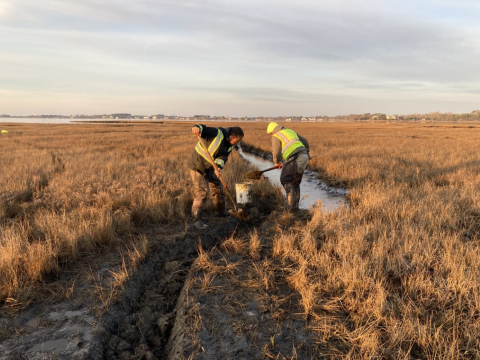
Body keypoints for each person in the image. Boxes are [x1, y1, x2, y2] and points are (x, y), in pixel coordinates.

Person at [188, 124, 244, 229]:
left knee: (218, 185)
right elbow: (203, 129)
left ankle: (220, 211)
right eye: (236, 141)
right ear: (232, 137)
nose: (237, 143)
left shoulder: (230, 145)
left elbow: (223, 157)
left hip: (211, 167)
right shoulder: (217, 133)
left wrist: (218, 167)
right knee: (202, 193)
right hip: (198, 165)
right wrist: (196, 128)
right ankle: (196, 220)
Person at [267, 122, 310, 211]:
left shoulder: (276, 135)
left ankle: (291, 207)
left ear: (272, 131)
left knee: (285, 179)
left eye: (270, 134)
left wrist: (276, 162)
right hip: (303, 156)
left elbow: (276, 151)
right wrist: (307, 153)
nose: (271, 136)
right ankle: (295, 207)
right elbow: (304, 141)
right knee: (295, 182)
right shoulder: (290, 131)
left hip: (295, 157)